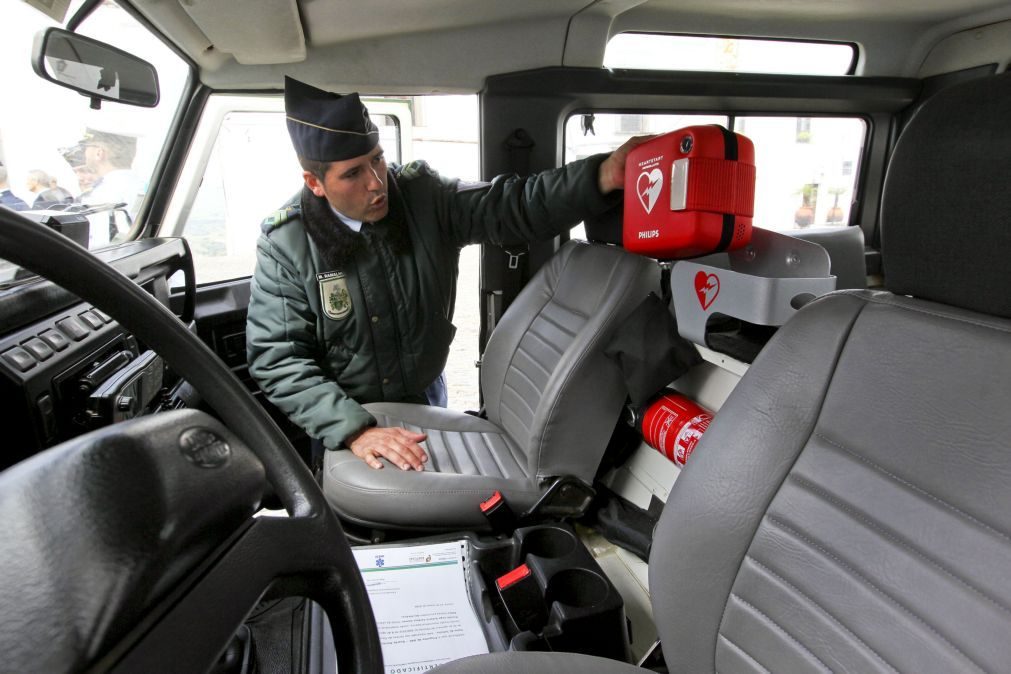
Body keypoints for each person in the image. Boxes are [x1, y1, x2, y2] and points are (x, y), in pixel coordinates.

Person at [247, 77, 646, 472]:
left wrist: (602, 176)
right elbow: (278, 357)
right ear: (315, 183)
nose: (376, 182)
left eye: (377, 158)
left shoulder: (423, 197)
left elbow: (513, 206)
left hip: (424, 399)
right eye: (353, 173)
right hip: (345, 414)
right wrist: (353, 429)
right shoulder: (287, 243)